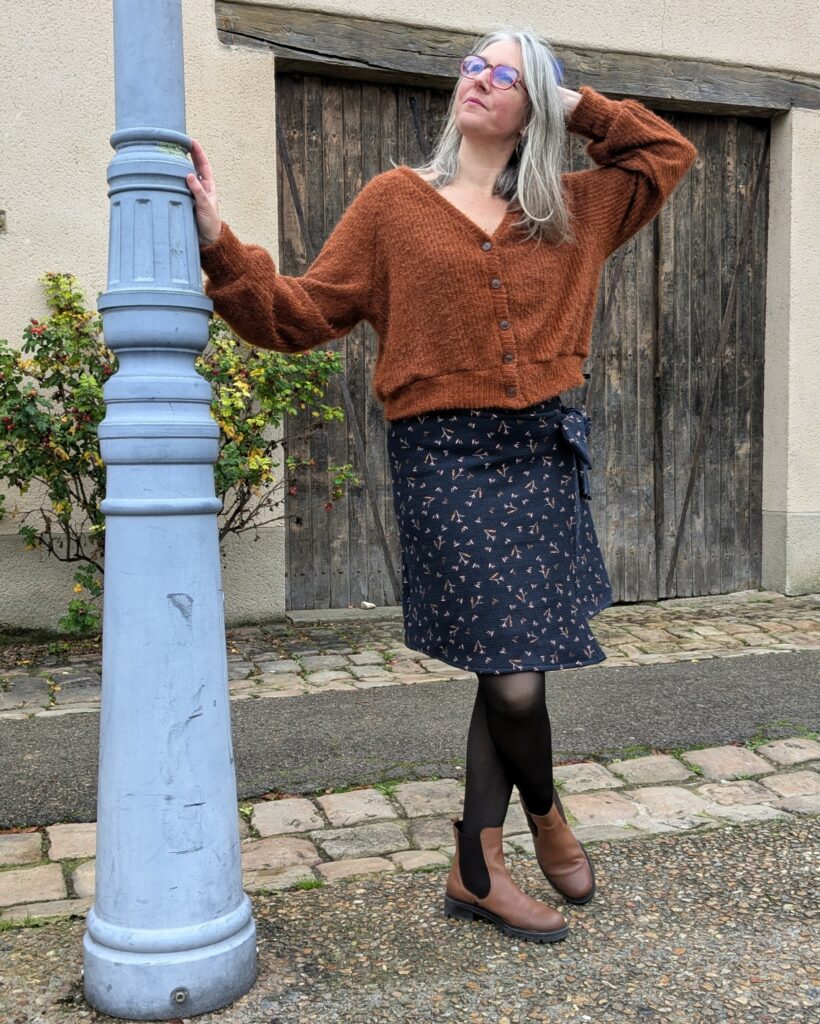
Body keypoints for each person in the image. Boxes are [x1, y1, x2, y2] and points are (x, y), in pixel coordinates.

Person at [186, 25, 697, 945]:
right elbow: (300, 314)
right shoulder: (395, 203)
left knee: (511, 662)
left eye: (505, 74)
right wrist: (221, 246)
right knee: (513, 680)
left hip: (540, 452)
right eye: (473, 64)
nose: (479, 78)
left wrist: (571, 100)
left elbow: (667, 153)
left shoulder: (575, 208)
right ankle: (544, 815)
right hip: (444, 459)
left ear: (535, 106)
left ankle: (478, 865)